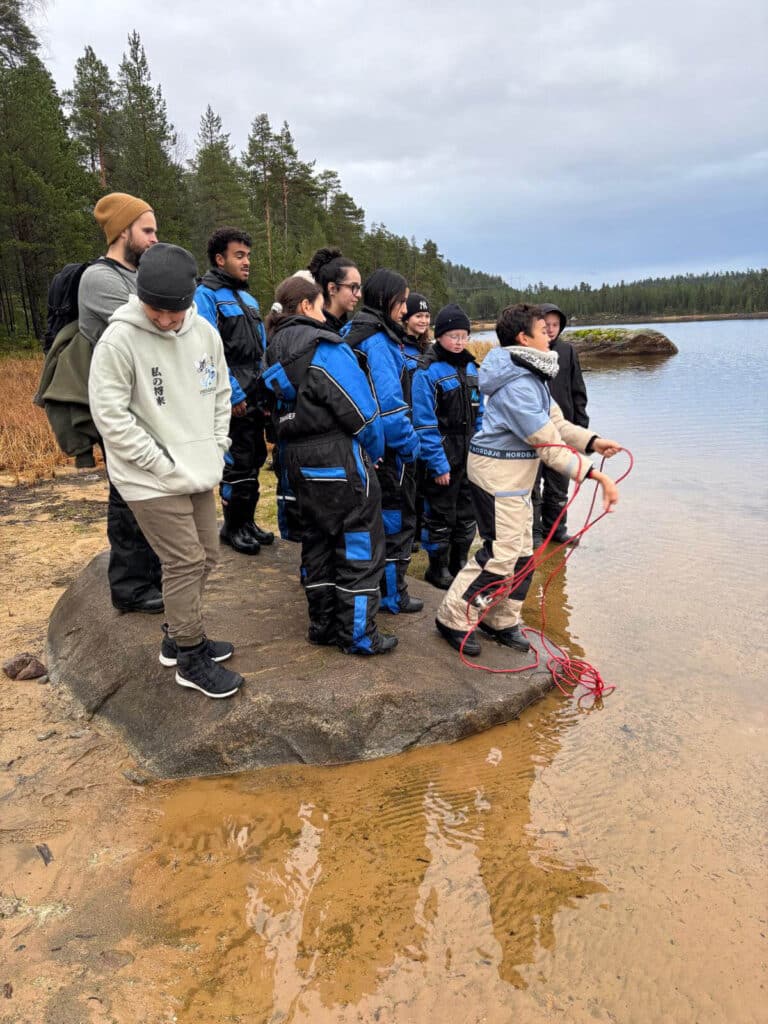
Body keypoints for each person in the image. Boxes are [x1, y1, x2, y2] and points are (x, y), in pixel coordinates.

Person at [88, 243, 244, 699]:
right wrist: (157, 461)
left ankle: (178, 636)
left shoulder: (204, 333)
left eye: (173, 312)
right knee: (184, 561)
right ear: (141, 298)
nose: (164, 320)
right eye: (155, 310)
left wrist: (218, 445)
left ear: (189, 301)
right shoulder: (119, 340)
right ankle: (190, 657)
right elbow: (110, 416)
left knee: (208, 555)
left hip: (198, 466)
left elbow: (220, 393)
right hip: (148, 475)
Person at [435, 303, 621, 657]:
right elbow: (547, 444)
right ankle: (453, 617)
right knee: (500, 555)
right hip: (496, 477)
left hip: (517, 477)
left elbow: (557, 424)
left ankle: (501, 619)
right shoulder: (517, 384)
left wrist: (593, 442)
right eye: (542, 329)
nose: (550, 334)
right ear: (523, 338)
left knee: (523, 553)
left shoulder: (531, 374)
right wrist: (596, 476)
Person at [263, 276, 395, 655]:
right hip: (338, 456)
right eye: (321, 306)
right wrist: (375, 450)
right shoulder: (324, 346)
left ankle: (321, 625)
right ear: (307, 306)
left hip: (295, 459)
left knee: (317, 539)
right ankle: (358, 635)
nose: (324, 315)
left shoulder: (273, 348)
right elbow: (363, 412)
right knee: (358, 542)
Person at [78, 191, 163, 615]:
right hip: (119, 405)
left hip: (150, 401)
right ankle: (130, 587)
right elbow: (151, 327)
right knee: (128, 494)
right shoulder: (99, 279)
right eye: (147, 230)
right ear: (122, 231)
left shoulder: (141, 276)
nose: (154, 239)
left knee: (156, 490)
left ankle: (154, 574)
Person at [343, 269, 423, 615]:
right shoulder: (377, 342)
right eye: (402, 301)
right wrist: (411, 445)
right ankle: (393, 595)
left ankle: (381, 590)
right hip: (389, 453)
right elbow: (389, 407)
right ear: (385, 299)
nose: (405, 309)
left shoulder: (354, 332)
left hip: (363, 447)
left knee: (374, 522)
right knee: (396, 522)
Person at [195, 227, 273, 556]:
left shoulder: (249, 299)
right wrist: (233, 394)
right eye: (239, 256)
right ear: (219, 259)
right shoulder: (206, 295)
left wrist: (266, 392)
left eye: (248, 256)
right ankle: (233, 527)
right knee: (236, 460)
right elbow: (206, 351)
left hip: (256, 391)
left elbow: (262, 350)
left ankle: (248, 521)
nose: (246, 262)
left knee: (255, 458)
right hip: (231, 394)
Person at [412, 303, 482, 590]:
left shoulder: (472, 367)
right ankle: (437, 568)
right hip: (442, 452)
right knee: (440, 514)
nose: (459, 342)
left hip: (469, 453)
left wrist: (480, 451)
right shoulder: (427, 371)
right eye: (454, 336)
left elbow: (480, 415)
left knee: (467, 512)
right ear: (439, 335)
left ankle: (459, 562)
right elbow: (424, 423)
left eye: (464, 336)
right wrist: (438, 464)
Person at [531, 302, 589, 547]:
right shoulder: (528, 352)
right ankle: (534, 534)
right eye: (546, 325)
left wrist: (581, 427)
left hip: (562, 431)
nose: (551, 329)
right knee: (532, 486)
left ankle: (556, 530)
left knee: (559, 486)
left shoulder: (567, 351)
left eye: (556, 325)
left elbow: (578, 391)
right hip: (534, 432)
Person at [306, 248, 362, 334]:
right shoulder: (313, 331)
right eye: (353, 287)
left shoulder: (347, 330)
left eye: (359, 287)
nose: (359, 295)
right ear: (332, 288)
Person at [402, 292, 431, 374]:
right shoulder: (399, 348)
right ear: (406, 319)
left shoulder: (430, 348)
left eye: (427, 316)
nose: (424, 321)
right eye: (418, 316)